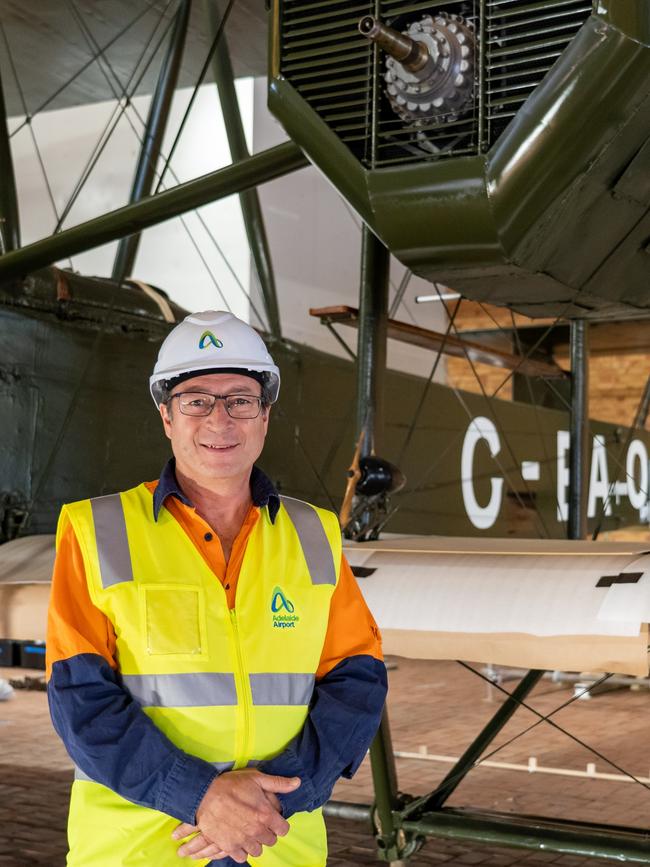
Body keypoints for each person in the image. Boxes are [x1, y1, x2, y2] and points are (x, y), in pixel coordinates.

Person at [46, 310, 387, 866]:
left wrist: (273, 799)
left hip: (277, 846)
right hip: (141, 852)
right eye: (196, 400)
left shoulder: (314, 533)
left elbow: (358, 682)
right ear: (166, 417)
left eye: (240, 399)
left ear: (265, 416)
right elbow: (80, 702)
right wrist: (199, 797)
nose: (219, 420)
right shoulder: (97, 530)